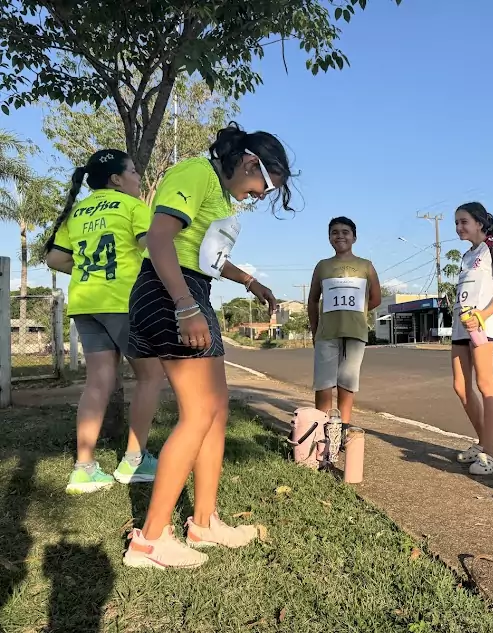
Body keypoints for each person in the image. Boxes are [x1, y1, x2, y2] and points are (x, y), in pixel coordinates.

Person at [122, 123, 287, 569]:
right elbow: (159, 239)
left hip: (193, 289)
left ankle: (204, 522)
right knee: (197, 414)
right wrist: (183, 306)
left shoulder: (216, 187)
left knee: (216, 409)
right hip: (168, 292)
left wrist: (249, 281)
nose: (258, 196)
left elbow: (203, 254)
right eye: (262, 187)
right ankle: (149, 540)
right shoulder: (194, 173)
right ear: (251, 164)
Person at [44, 149, 165, 494]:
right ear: (116, 179)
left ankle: (84, 469)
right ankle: (134, 460)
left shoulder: (78, 211)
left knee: (97, 382)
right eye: (134, 172)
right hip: (124, 300)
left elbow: (54, 258)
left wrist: (87, 271)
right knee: (151, 375)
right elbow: (153, 247)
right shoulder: (132, 207)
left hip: (85, 302)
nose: (138, 179)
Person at [451, 202, 493, 476]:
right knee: (460, 387)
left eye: (463, 221)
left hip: (481, 325)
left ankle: (489, 453)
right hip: (460, 325)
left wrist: (484, 315)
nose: (458, 227)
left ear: (479, 222)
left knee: (485, 383)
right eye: (456, 223)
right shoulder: (466, 256)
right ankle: (483, 442)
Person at [307, 216, 381, 424]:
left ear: (354, 237)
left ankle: (342, 428)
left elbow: (375, 298)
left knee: (347, 383)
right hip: (326, 333)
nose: (340, 236)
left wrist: (357, 312)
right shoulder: (322, 266)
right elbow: (312, 301)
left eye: (345, 232)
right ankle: (321, 428)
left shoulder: (366, 266)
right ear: (329, 238)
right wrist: (315, 330)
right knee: (323, 384)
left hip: (355, 333)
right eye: (335, 232)